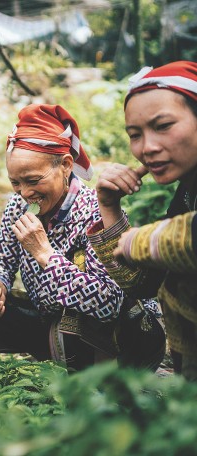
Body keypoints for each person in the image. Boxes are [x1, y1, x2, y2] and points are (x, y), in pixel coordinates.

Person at [0, 104, 165, 371]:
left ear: (65, 165)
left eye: (33, 180)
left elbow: (108, 303)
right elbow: (1, 260)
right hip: (52, 317)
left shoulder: (96, 211)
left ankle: (96, 386)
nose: (25, 193)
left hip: (125, 333)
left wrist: (46, 256)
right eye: (16, 182)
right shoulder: (18, 206)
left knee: (70, 322)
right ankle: (52, 360)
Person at [88, 61, 197, 380]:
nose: (147, 148)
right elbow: (144, 283)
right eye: (135, 135)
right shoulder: (186, 195)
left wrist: (143, 240)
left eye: (163, 125)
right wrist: (108, 207)